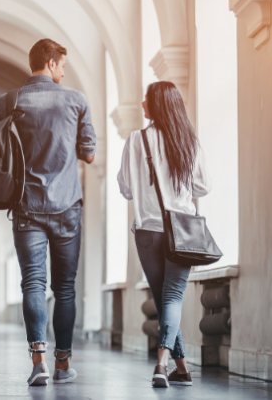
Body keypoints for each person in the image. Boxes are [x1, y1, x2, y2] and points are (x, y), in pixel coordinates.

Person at [0, 39, 97, 386]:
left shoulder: (8, 102)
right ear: (50, 64)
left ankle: (39, 363)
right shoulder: (76, 100)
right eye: (62, 66)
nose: (64, 73)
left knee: (32, 283)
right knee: (65, 288)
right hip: (67, 206)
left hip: (26, 206)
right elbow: (89, 154)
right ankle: (63, 364)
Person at [117, 81, 211, 388]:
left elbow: (126, 189)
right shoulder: (189, 141)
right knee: (169, 299)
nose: (142, 103)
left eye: (146, 99)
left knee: (163, 299)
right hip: (182, 230)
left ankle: (167, 365)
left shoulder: (136, 140)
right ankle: (173, 366)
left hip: (147, 231)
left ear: (157, 105)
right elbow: (203, 187)